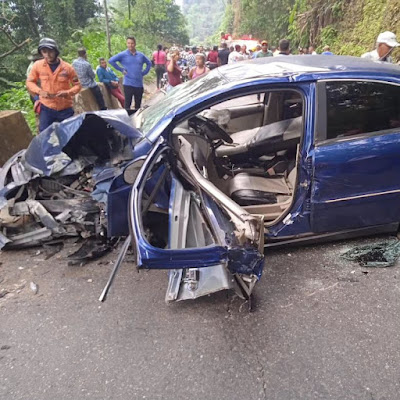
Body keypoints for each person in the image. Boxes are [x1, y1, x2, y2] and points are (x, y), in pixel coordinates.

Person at [26, 38, 81, 132]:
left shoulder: (67, 67)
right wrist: (39, 91)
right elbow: (29, 82)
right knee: (45, 134)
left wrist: (67, 92)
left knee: (70, 134)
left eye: (50, 51)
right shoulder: (37, 66)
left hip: (65, 108)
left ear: (56, 51)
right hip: (47, 108)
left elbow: (78, 85)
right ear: (41, 53)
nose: (48, 54)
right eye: (44, 52)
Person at [108, 36, 151, 111]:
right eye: (128, 43)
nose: (130, 45)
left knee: (138, 105)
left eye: (132, 43)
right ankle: (127, 119)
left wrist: (144, 72)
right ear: (126, 44)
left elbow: (149, 63)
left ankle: (136, 120)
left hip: (138, 84)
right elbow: (111, 60)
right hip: (128, 83)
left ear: (135, 44)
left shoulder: (140, 55)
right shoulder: (123, 55)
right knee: (127, 104)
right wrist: (121, 69)